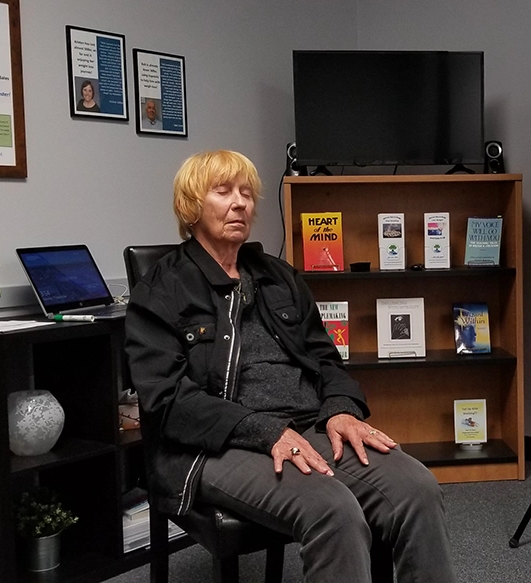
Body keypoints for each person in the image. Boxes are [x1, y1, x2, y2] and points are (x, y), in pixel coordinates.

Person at [125, 150, 456, 583]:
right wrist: (265, 431)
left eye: (246, 193)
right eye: (223, 191)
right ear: (192, 206)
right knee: (332, 510)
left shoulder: (277, 276)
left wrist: (341, 408)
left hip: (307, 426)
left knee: (417, 490)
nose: (240, 203)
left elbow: (325, 358)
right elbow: (167, 401)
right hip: (218, 445)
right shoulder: (161, 290)